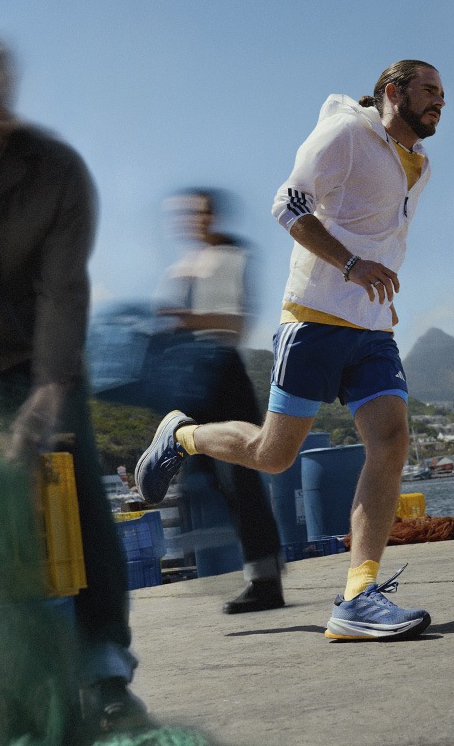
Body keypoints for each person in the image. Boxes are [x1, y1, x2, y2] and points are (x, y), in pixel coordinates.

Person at [136, 60, 445, 640]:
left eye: (443, 94)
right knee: (274, 454)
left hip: (372, 328)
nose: (440, 102)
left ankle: (358, 596)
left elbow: (379, 237)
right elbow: (290, 204)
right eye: (430, 90)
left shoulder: (420, 166)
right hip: (313, 321)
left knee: (391, 438)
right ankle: (181, 436)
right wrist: (352, 268)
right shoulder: (347, 132)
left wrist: (376, 296)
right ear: (392, 91)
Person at [0, 35, 145, 734]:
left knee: (73, 476)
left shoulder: (57, 171)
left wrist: (50, 391)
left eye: (1, 101)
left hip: (35, 358)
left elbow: (63, 292)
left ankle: (107, 664)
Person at [151, 188, 284, 613]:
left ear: (211, 215)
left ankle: (265, 580)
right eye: (182, 213)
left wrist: (184, 320)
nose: (189, 220)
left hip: (222, 372)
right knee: (210, 480)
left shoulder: (228, 256)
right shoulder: (185, 264)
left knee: (240, 477)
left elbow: (235, 324)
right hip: (193, 378)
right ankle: (255, 568)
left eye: (195, 211)